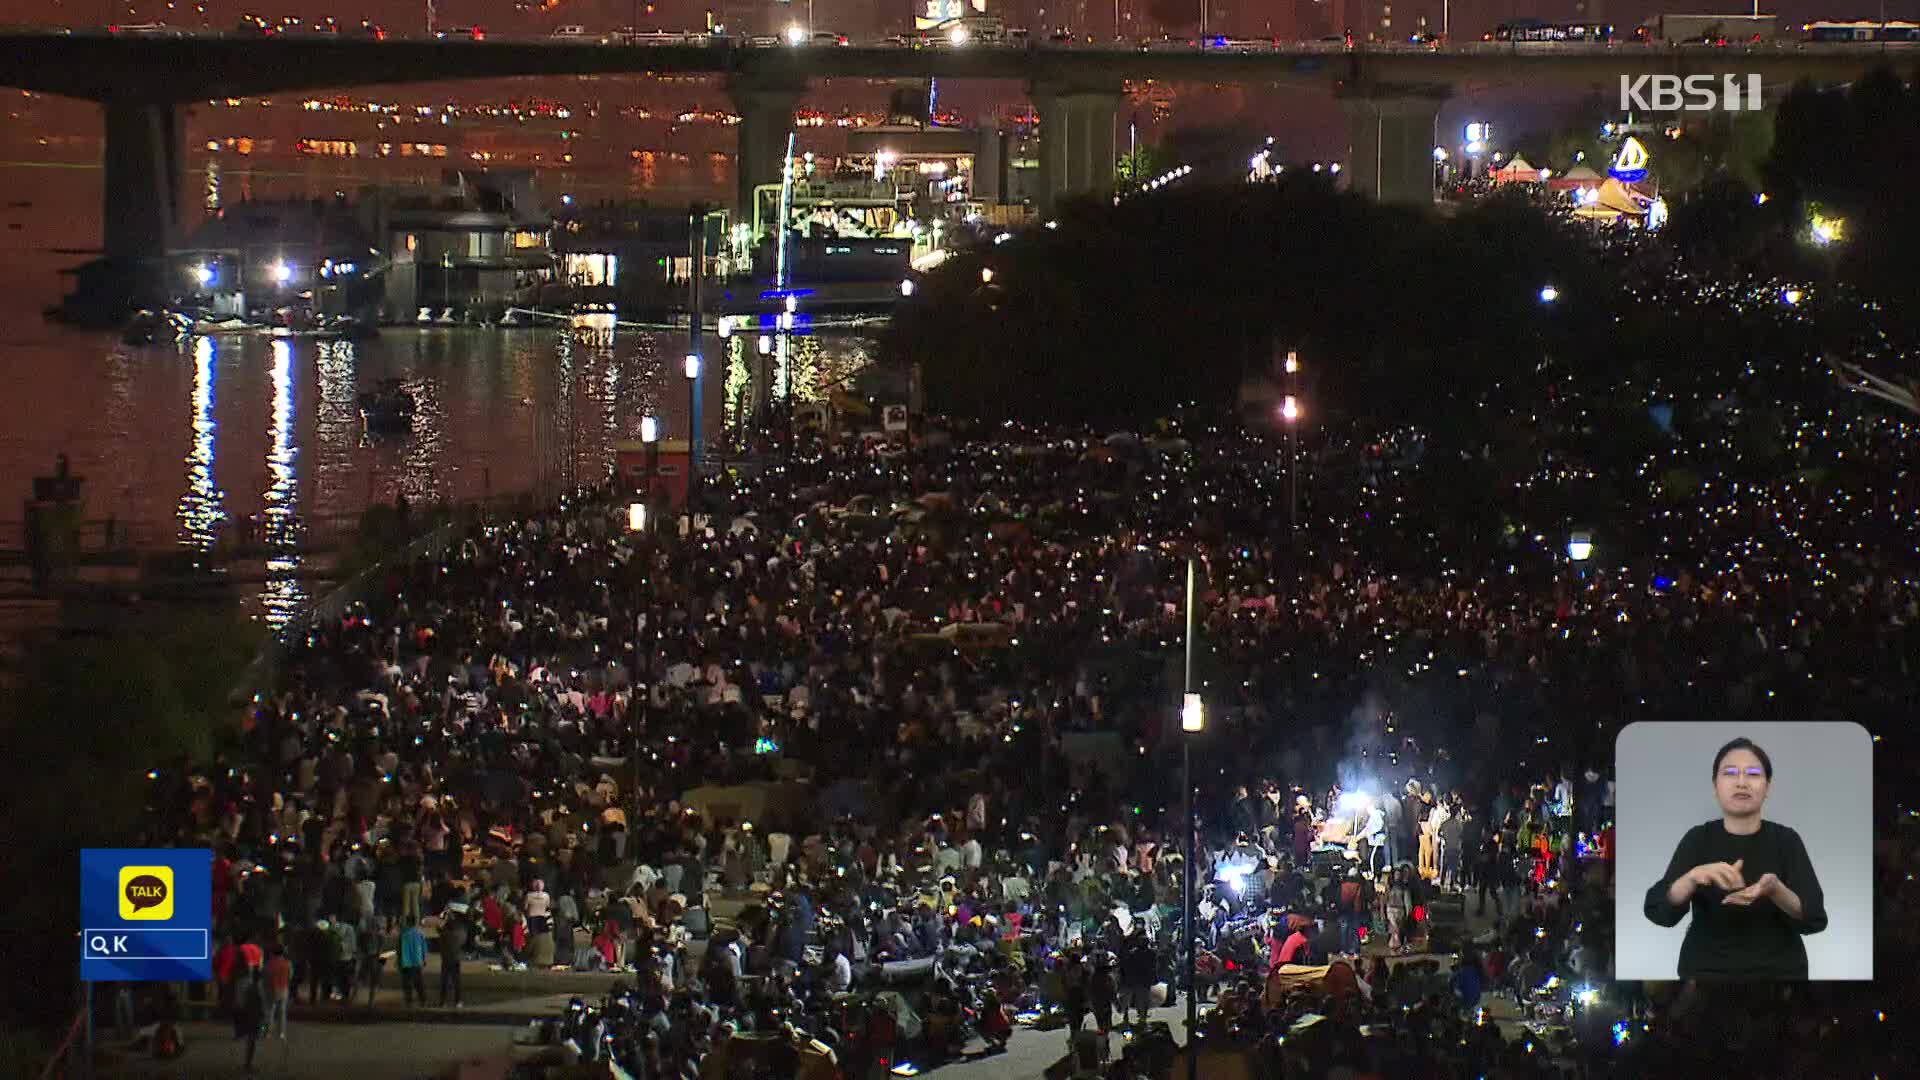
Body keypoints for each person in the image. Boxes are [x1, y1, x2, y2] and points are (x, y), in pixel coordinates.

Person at [1643, 737, 1829, 979]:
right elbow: (1659, 912)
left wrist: (1775, 890)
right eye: (1730, 773)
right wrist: (1691, 878)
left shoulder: (1786, 840)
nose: (1741, 782)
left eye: (1753, 774)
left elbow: (1814, 918)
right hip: (1704, 974)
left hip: (1780, 973)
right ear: (1715, 786)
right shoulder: (1698, 838)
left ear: (1767, 787)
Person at [398, 915, 429, 1007]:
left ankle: (409, 1001)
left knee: (407, 983)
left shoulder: (403, 934)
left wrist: (399, 961)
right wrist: (424, 959)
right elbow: (424, 948)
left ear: (407, 922)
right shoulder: (420, 933)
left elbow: (399, 949)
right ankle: (423, 1000)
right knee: (419, 982)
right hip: (417, 961)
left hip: (406, 962)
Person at [264, 943, 292, 1039]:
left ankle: (268, 1032)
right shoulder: (287, 963)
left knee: (270, 1011)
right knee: (282, 1012)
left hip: (271, 989)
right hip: (283, 989)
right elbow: (290, 976)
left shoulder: (269, 963)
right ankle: (281, 1033)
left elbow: (265, 976)